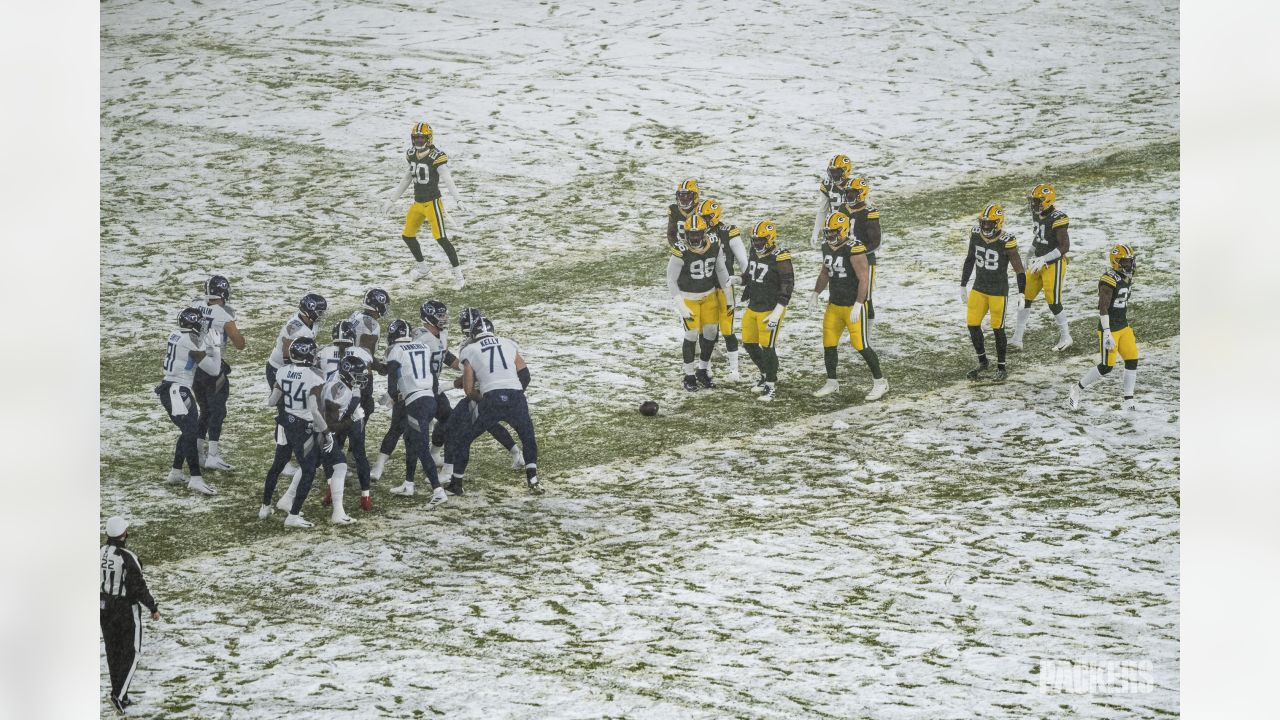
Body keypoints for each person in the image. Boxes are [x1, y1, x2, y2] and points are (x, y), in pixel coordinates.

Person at [447, 312, 542, 495]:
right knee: (528, 437)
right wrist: (513, 394)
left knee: (464, 439)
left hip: (491, 398)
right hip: (515, 396)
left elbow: (468, 389)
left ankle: (456, 484)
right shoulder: (508, 343)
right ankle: (533, 478)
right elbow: (525, 375)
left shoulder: (470, 350)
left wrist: (482, 399)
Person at [808, 211, 888, 400]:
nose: (830, 236)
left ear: (843, 230)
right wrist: (815, 293)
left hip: (852, 305)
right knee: (829, 343)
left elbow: (864, 279)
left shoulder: (854, 248)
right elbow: (825, 272)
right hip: (834, 304)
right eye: (827, 232)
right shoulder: (827, 246)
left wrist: (859, 304)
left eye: (833, 232)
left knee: (861, 345)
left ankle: (880, 382)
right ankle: (831, 382)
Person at [379, 122, 468, 289]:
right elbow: (407, 178)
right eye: (416, 137)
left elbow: (448, 179)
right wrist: (391, 200)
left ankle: (459, 276)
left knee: (441, 239)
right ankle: (423, 269)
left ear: (429, 138)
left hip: (432, 203)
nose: (419, 140)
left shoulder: (436, 156)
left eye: (421, 137)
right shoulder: (412, 154)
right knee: (407, 235)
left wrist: (458, 200)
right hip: (418, 203)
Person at [259, 336, 328, 528]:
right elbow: (314, 410)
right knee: (308, 469)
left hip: (284, 423)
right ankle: (293, 515)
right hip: (302, 428)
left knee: (277, 465)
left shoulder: (281, 371)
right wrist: (326, 431)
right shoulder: (315, 376)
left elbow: (272, 401)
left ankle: (265, 507)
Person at [156, 307, 221, 495]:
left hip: (172, 388)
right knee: (190, 432)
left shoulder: (175, 334)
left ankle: (176, 472)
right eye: (199, 323)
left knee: (188, 431)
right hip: (177, 391)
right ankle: (195, 478)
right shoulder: (191, 341)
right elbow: (213, 370)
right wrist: (215, 347)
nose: (202, 326)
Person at [959, 204, 1027, 381]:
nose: (986, 227)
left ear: (999, 223)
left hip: (998, 291)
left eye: (990, 224)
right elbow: (970, 259)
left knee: (998, 329)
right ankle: (983, 361)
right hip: (979, 288)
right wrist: (963, 284)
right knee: (972, 324)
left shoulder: (1006, 240)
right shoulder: (975, 234)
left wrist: (1022, 293)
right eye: (984, 223)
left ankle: (1001, 366)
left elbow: (1019, 269)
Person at [666, 214, 733, 390]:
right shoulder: (680, 250)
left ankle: (702, 370)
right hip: (688, 298)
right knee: (691, 335)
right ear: (686, 233)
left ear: (704, 232)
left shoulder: (714, 244)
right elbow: (671, 280)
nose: (694, 237)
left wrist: (729, 295)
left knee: (710, 333)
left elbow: (720, 269)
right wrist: (680, 305)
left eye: (697, 234)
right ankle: (688, 375)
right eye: (691, 234)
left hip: (709, 295)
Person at [100, 516, 160, 713]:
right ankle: (118, 695)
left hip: (103, 607)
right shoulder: (127, 556)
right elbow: (138, 587)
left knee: (113, 651)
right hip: (125, 609)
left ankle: (121, 693)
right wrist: (152, 607)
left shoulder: (99, 552)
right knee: (132, 652)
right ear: (124, 534)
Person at [1069, 244, 1140, 410]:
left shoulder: (1125, 277)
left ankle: (1129, 401)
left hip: (1123, 325)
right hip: (1110, 328)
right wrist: (1107, 333)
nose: (1130, 265)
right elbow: (1103, 307)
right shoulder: (1108, 280)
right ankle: (1077, 388)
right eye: (1126, 262)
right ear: (1116, 262)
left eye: (1131, 261)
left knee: (1132, 360)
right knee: (1106, 367)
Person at [385, 319, 446, 506]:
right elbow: (433, 377)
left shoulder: (395, 350)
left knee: (420, 445)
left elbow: (392, 378)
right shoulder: (421, 346)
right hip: (428, 399)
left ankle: (438, 490)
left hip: (415, 402)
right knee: (410, 439)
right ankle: (408, 483)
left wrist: (393, 396)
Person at [190, 275, 245, 471]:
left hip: (194, 365)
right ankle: (212, 454)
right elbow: (239, 344)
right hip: (212, 368)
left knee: (204, 410)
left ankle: (197, 453)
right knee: (218, 411)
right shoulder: (224, 315)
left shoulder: (195, 305)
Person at [1013, 182, 1073, 350]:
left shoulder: (1058, 218)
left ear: (1047, 200)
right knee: (1025, 298)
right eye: (1033, 201)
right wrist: (1031, 252)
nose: (1034, 204)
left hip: (1054, 264)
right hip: (1038, 261)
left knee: (1053, 301)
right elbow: (1039, 235)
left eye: (1037, 201)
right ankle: (1017, 339)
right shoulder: (1037, 214)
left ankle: (1066, 337)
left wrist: (1045, 258)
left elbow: (1064, 247)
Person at [739, 220, 793, 402]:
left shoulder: (781, 256)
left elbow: (787, 285)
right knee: (748, 343)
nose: (757, 244)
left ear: (770, 239)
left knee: (768, 347)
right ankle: (765, 373)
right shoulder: (754, 251)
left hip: (770, 308)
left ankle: (771, 385)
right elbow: (750, 274)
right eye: (755, 240)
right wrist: (738, 280)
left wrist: (778, 311)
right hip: (754, 304)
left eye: (761, 241)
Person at [700, 198, 747, 381]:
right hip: (705, 288)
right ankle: (706, 369)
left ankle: (734, 370)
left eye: (707, 217)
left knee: (727, 329)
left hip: (725, 286)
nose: (704, 220)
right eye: (702, 217)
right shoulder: (696, 233)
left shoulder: (728, 232)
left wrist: (748, 280)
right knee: (706, 331)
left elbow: (742, 259)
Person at [666, 178, 700, 247]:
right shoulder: (674, 210)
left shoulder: (702, 210)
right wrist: (677, 247)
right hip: (684, 246)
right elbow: (671, 234)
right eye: (681, 197)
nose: (684, 200)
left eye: (688, 197)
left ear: (695, 196)